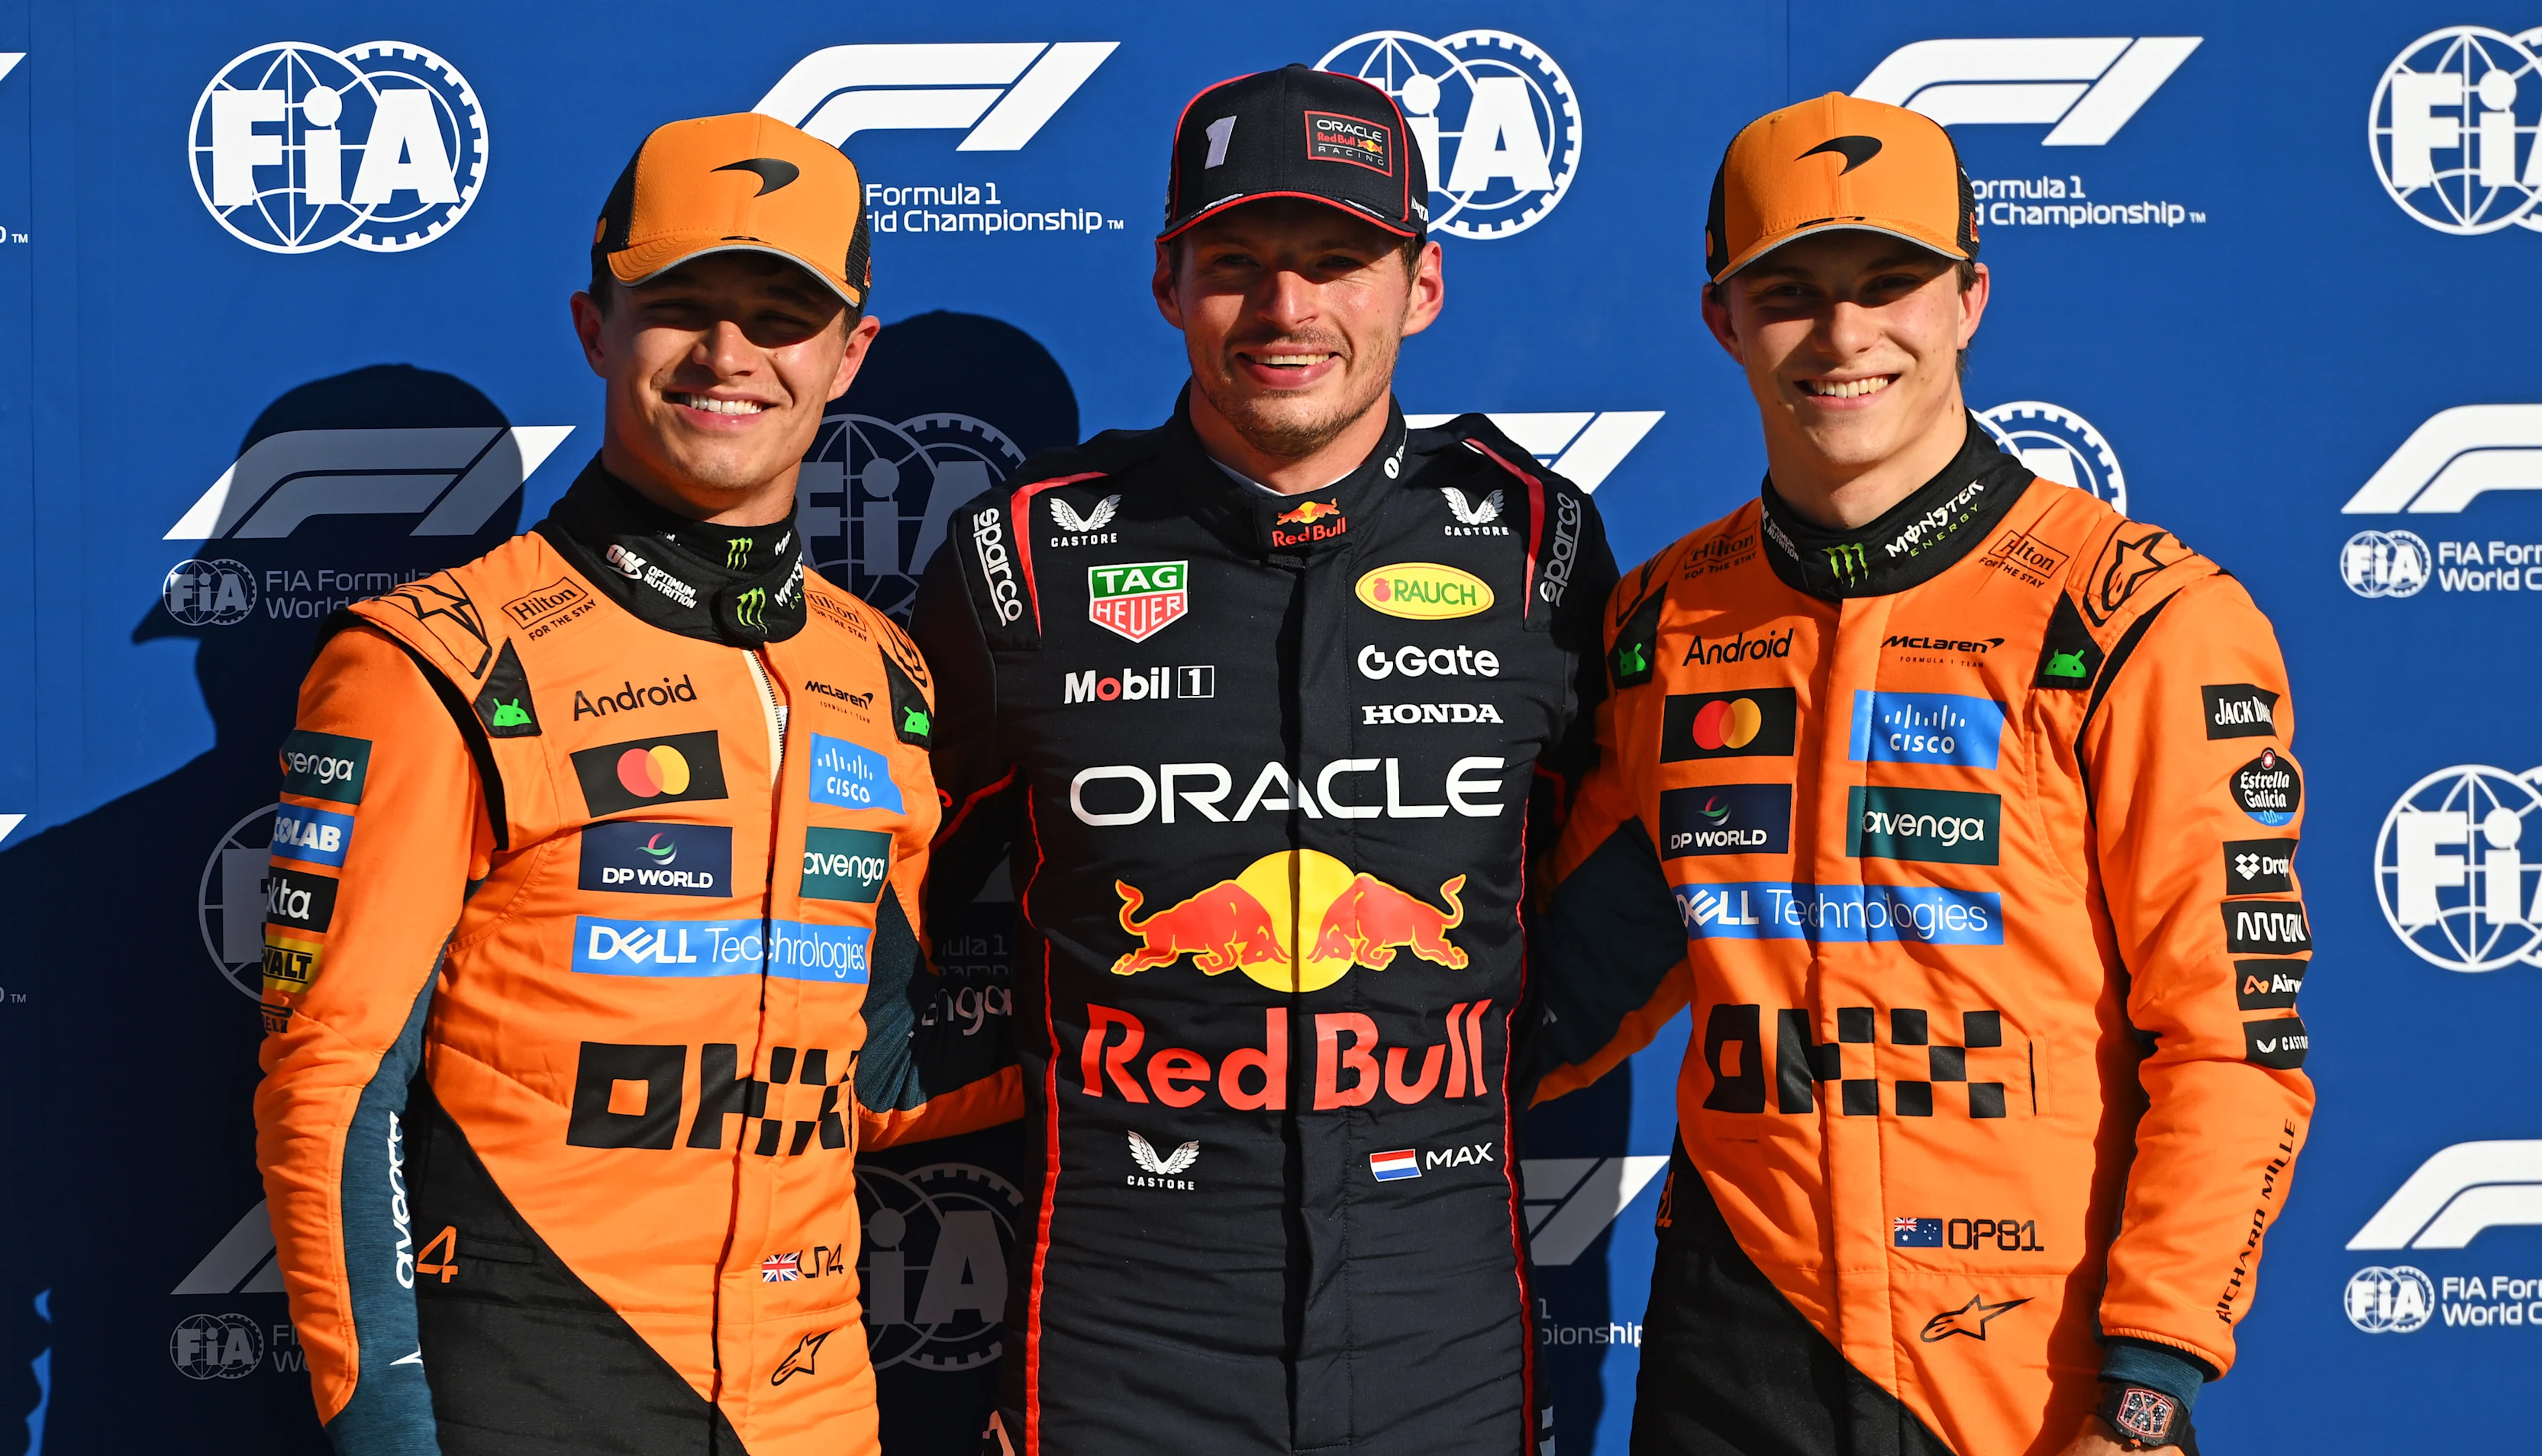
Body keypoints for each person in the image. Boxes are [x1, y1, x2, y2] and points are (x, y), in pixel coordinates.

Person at [1533, 93, 2315, 1456]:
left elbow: (2232, 1047)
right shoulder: (1667, 620)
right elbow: (1571, 981)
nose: (1844, 338)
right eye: (1790, 293)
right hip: (1736, 1346)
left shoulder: (2139, 614)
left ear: (1970, 300)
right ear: (1723, 319)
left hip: (2035, 1371)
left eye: (1890, 285)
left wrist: (2147, 1393)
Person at [254, 112, 1011, 1456]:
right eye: (681, 307)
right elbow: (334, 1085)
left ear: (851, 354)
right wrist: (385, 1429)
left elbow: (879, 1075)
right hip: (536, 1399)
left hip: (818, 1407)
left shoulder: (884, 671)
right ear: (596, 327)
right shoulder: (432, 659)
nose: (730, 356)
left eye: (782, 314)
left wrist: (1185, 1033)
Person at [911, 63, 1618, 1456]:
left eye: (1338, 261)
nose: (1287, 311)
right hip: (1121, 1341)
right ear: (1170, 283)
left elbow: (1641, 869)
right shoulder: (1026, 556)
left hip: (1445, 1334)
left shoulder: (1539, 540)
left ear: (1420, 285)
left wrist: (1470, 1058)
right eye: (1238, 265)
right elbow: (870, 888)